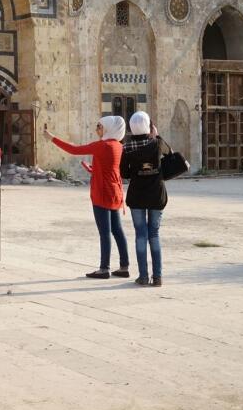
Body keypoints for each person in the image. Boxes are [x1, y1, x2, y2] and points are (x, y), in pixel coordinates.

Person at [43, 116, 130, 279]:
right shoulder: (118, 146)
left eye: (100, 126)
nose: (97, 129)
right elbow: (108, 169)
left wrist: (52, 138)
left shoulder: (102, 146)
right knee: (117, 230)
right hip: (114, 191)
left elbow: (74, 150)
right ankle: (124, 266)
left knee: (105, 232)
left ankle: (104, 269)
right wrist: (93, 169)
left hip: (102, 193)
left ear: (109, 128)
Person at [121, 111, 169, 287]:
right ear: (149, 126)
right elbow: (170, 153)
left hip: (137, 196)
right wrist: (156, 135)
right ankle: (157, 277)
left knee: (141, 235)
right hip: (156, 195)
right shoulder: (156, 144)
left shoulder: (127, 147)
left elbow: (124, 173)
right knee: (154, 235)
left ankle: (143, 276)